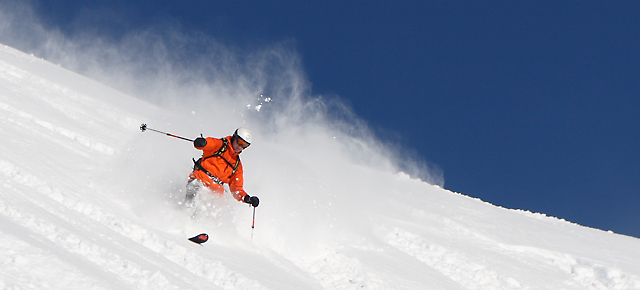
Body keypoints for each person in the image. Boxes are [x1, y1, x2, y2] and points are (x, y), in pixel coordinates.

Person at [184, 127, 259, 208]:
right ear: (234, 138)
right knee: (192, 205)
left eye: (244, 145)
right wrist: (203, 143)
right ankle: (185, 214)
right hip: (200, 181)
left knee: (214, 213)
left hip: (214, 194)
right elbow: (210, 144)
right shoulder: (220, 146)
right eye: (240, 142)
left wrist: (247, 199)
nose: (240, 147)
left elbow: (236, 189)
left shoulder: (237, 165)